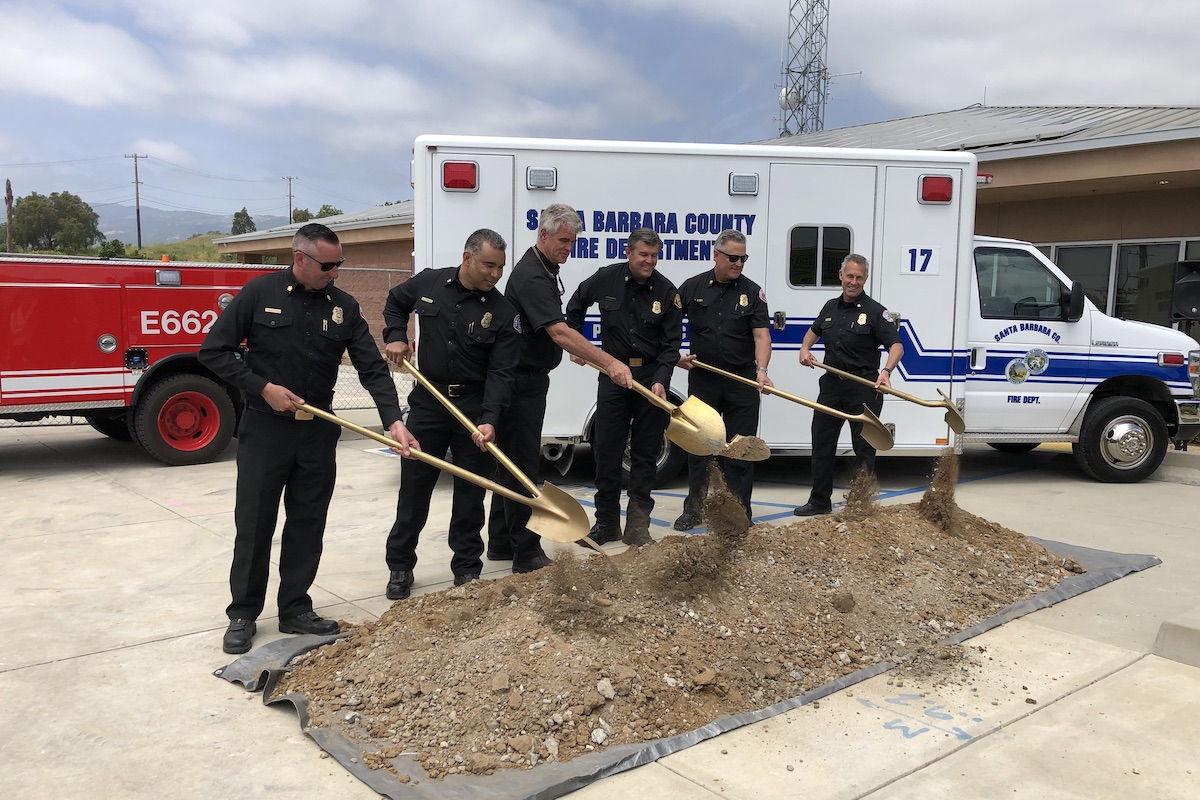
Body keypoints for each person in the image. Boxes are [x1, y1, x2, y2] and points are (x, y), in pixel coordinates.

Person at [200, 222, 418, 656]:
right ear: (300, 258)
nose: (335, 272)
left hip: (317, 431)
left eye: (340, 264)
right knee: (256, 523)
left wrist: (394, 421)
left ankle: (295, 607)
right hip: (266, 429)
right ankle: (242, 613)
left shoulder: (344, 306)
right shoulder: (259, 294)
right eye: (328, 265)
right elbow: (215, 351)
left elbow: (371, 367)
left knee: (307, 522)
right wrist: (263, 387)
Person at [485, 204, 634, 572]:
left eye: (573, 241)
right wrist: (608, 361)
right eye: (563, 240)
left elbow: (554, 334)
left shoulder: (544, 269)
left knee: (509, 464)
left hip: (526, 378)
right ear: (544, 235)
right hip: (521, 383)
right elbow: (558, 330)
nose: (568, 247)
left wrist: (568, 348)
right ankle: (526, 552)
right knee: (521, 465)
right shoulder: (533, 276)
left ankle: (502, 542)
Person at [382, 228, 520, 598]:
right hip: (428, 401)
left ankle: (466, 568)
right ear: (468, 257)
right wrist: (395, 335)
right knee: (414, 489)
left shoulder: (504, 312)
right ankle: (400, 566)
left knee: (471, 493)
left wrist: (490, 419)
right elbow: (396, 302)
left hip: (473, 408)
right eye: (489, 265)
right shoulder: (430, 282)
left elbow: (501, 372)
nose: (495, 274)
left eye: (500, 268)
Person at [565, 228, 683, 547]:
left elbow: (672, 344)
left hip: (649, 379)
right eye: (643, 254)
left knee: (645, 453)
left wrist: (662, 379)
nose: (649, 261)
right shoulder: (606, 279)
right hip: (613, 373)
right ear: (628, 252)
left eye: (654, 255)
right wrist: (577, 345)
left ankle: (638, 525)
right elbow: (574, 306)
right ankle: (606, 524)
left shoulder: (667, 291)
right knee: (606, 450)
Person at [673, 229, 773, 530]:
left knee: (741, 450)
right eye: (733, 258)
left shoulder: (753, 293)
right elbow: (668, 326)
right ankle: (694, 509)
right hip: (704, 379)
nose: (738, 264)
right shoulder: (692, 288)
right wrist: (675, 356)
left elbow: (761, 335)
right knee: (699, 447)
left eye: (743, 258)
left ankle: (739, 511)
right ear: (715, 254)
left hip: (740, 380)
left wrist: (762, 370)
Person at [793, 253, 903, 516]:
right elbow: (814, 330)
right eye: (849, 276)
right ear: (841, 276)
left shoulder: (876, 312)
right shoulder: (830, 307)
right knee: (822, 444)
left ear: (865, 279)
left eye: (859, 277)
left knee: (864, 448)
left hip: (863, 387)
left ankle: (861, 504)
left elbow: (896, 346)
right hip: (831, 386)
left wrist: (886, 371)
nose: (853, 282)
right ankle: (819, 501)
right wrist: (805, 349)